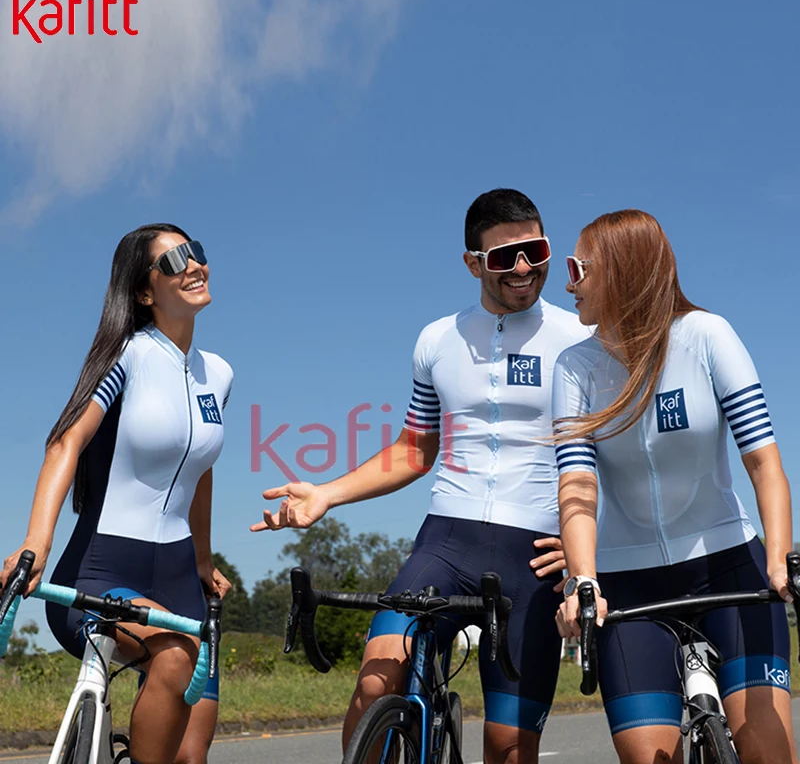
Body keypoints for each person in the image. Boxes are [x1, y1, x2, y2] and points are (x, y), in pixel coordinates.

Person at [252, 188, 590, 763]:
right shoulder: (437, 340)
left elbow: (612, 453)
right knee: (375, 683)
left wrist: (588, 547)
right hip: (446, 542)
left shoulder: (579, 336)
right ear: (473, 264)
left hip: (534, 552)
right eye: (503, 257)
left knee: (508, 747)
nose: (523, 268)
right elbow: (415, 448)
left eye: (535, 251)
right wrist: (327, 494)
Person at [552, 209, 796, 764]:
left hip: (727, 565)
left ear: (620, 270)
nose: (569, 284)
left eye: (578, 268)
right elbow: (578, 485)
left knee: (768, 753)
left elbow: (764, 462)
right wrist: (582, 580)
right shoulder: (575, 366)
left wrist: (780, 560)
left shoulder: (707, 335)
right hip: (630, 583)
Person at [0, 225, 234, 764]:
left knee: (191, 754)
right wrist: (36, 542)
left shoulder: (219, 375)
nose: (193, 265)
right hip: (100, 573)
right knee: (175, 655)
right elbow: (66, 443)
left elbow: (201, 468)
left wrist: (203, 558)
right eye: (173, 260)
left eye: (196, 252)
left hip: (180, 579)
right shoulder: (125, 356)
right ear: (145, 292)